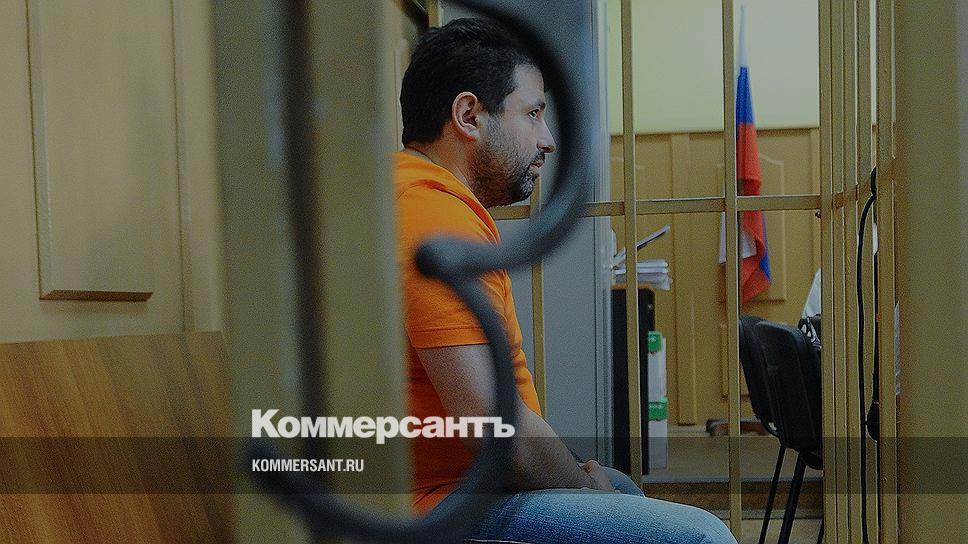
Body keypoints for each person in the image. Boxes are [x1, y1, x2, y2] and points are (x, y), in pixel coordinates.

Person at [395, 17, 736, 543]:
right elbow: (496, 432)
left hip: (453, 489)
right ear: (468, 116)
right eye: (532, 113)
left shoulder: (409, 193)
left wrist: (589, 484)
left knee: (622, 486)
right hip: (440, 508)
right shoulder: (433, 215)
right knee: (699, 537)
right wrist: (586, 491)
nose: (549, 140)